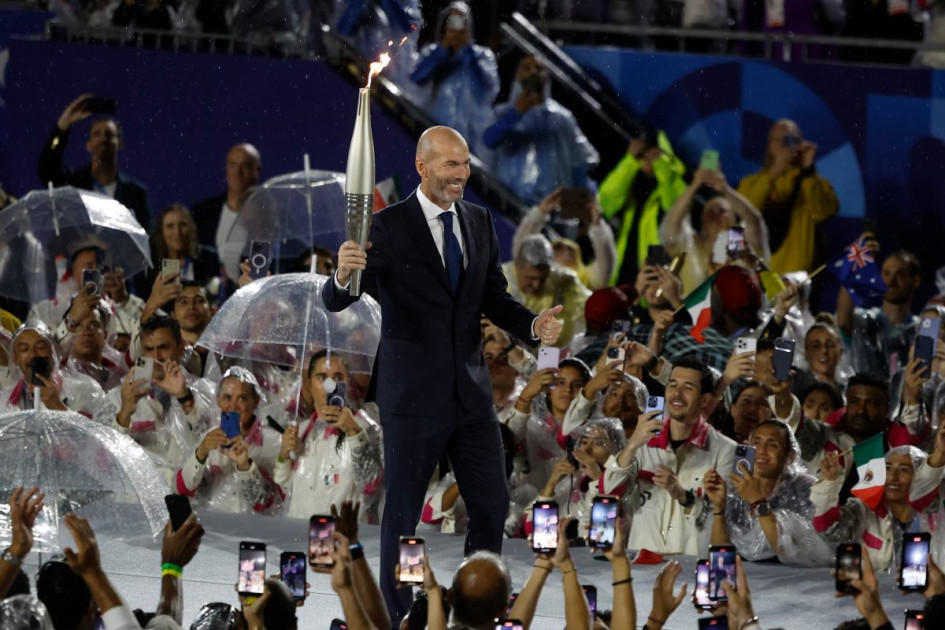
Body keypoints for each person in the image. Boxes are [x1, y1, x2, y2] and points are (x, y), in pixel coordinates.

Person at [322, 125, 564, 625]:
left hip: (471, 397)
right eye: (451, 165)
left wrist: (534, 327)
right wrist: (343, 274)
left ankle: (477, 607)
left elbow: (495, 298)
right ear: (422, 167)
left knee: (492, 505)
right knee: (404, 516)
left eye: (466, 164)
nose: (462, 174)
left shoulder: (478, 222)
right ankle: (404, 614)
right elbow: (339, 297)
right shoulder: (386, 227)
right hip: (412, 396)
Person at [604, 355, 737, 555]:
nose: (677, 394)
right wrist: (631, 445)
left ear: (705, 400)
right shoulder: (642, 440)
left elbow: (726, 519)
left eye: (688, 388)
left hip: (690, 566)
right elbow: (608, 489)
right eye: (672, 385)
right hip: (640, 564)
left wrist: (683, 496)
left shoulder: (725, 450)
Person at [101, 316, 215, 486]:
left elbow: (211, 444)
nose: (156, 356)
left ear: (181, 348)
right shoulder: (119, 396)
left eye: (163, 347)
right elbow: (105, 460)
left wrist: (185, 398)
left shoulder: (207, 391)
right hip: (142, 499)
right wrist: (125, 412)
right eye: (149, 349)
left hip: (193, 498)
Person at [275, 350, 384, 522]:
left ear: (348, 381)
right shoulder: (300, 431)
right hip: (298, 536)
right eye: (321, 377)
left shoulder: (366, 428)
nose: (330, 385)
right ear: (309, 383)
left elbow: (371, 487)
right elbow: (287, 491)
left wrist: (354, 434)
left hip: (343, 539)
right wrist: (283, 457)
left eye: (338, 377)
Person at [705, 420, 830, 566]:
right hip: (745, 578)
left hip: (792, 581)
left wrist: (757, 501)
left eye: (772, 445)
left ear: (790, 456)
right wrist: (719, 507)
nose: (762, 451)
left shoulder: (805, 489)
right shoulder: (735, 488)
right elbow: (721, 555)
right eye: (756, 443)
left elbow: (792, 551)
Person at [483, 54, 599, 206]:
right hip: (512, 202)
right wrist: (516, 114)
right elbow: (488, 141)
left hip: (552, 206)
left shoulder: (561, 117)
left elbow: (577, 162)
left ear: (547, 76)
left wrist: (580, 204)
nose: (533, 72)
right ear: (517, 76)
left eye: (539, 68)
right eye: (526, 68)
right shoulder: (502, 113)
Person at [812, 439, 944, 571]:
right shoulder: (864, 509)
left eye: (903, 470)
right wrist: (829, 481)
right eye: (887, 468)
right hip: (873, 590)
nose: (892, 477)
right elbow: (829, 531)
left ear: (918, 477)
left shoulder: (936, 515)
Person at [174, 366, 284, 513]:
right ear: (218, 400)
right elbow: (184, 489)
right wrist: (200, 453)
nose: (233, 406)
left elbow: (266, 503)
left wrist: (245, 466)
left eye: (242, 398)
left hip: (254, 530)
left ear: (255, 401)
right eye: (227, 397)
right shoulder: (209, 439)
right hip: (215, 527)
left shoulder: (274, 442)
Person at [736, 119, 839, 274]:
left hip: (795, 281)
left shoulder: (814, 183)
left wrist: (808, 171)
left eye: (791, 140)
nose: (784, 145)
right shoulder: (750, 183)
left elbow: (824, 212)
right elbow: (742, 211)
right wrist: (775, 171)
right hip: (759, 276)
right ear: (770, 145)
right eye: (779, 140)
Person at [38, 94, 151, 229]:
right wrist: (64, 124)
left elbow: (146, 235)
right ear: (89, 144)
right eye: (97, 134)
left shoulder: (136, 193)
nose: (103, 138)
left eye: (109, 134)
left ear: (120, 144)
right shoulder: (73, 185)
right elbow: (47, 170)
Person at [660, 166, 770, 293]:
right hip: (696, 312)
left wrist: (725, 189)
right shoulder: (691, 245)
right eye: (711, 212)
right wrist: (695, 184)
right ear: (702, 222)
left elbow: (754, 221)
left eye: (723, 211)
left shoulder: (741, 244)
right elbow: (672, 224)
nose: (716, 215)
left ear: (734, 218)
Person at [598, 129, 687, 286]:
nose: (647, 159)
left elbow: (673, 206)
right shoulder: (630, 180)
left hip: (655, 265)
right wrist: (630, 161)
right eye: (643, 154)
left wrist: (661, 165)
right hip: (620, 267)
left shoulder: (673, 181)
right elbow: (606, 201)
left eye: (652, 154)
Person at [410, 2, 498, 154]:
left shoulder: (482, 56)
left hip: (466, 141)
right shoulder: (431, 52)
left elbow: (490, 87)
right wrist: (443, 50)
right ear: (445, 25)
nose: (457, 28)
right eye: (452, 22)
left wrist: (466, 51)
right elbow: (415, 80)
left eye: (461, 22)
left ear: (469, 25)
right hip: (429, 133)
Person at [837, 247, 921, 394]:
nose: (891, 281)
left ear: (915, 281)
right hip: (865, 409)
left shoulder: (921, 330)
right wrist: (853, 268)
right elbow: (843, 321)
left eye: (899, 275)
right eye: (886, 274)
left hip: (908, 411)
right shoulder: (864, 323)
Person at [511, 188, 617, 290]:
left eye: (571, 251)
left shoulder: (583, 281)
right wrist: (540, 212)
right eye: (559, 249)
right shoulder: (534, 278)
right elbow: (522, 251)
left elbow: (606, 266)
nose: (566, 252)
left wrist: (597, 225)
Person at [0, 321, 105, 417]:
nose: (33, 355)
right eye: (24, 349)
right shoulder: (4, 401)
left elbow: (92, 434)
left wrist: (58, 406)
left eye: (40, 347)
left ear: (52, 351)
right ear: (15, 358)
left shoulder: (84, 389)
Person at [190, 143, 262, 283]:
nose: (238, 172)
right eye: (233, 165)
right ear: (226, 168)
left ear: (257, 171)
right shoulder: (203, 212)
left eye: (246, 165)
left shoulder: (272, 215)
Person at [502, 234, 591, 347]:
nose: (537, 285)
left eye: (543, 279)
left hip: (553, 356)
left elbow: (589, 305)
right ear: (517, 266)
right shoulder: (498, 281)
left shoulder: (563, 279)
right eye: (531, 278)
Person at [139, 204, 220, 296]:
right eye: (170, 226)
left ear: (191, 228)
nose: (177, 232)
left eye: (182, 225)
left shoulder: (209, 259)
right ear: (161, 232)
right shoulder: (151, 266)